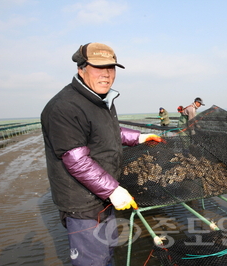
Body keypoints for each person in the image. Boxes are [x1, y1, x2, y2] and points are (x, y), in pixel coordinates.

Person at [41, 42, 162, 266]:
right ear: (81, 69)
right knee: (92, 260)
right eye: (99, 68)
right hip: (82, 203)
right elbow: (76, 161)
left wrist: (139, 137)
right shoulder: (64, 107)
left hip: (103, 196)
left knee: (107, 253)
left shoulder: (99, 99)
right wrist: (113, 190)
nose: (107, 74)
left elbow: (106, 131)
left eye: (111, 68)